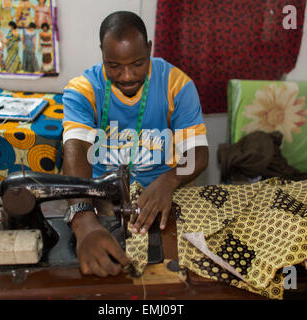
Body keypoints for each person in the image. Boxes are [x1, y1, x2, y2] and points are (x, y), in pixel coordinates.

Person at [62, 11, 209, 277]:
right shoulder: (82, 89)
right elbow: (75, 150)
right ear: (102, 54)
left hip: (163, 194)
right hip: (100, 198)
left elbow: (198, 153)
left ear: (150, 49)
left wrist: (169, 181)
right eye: (114, 65)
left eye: (138, 63)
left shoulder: (177, 84)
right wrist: (84, 223)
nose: (128, 76)